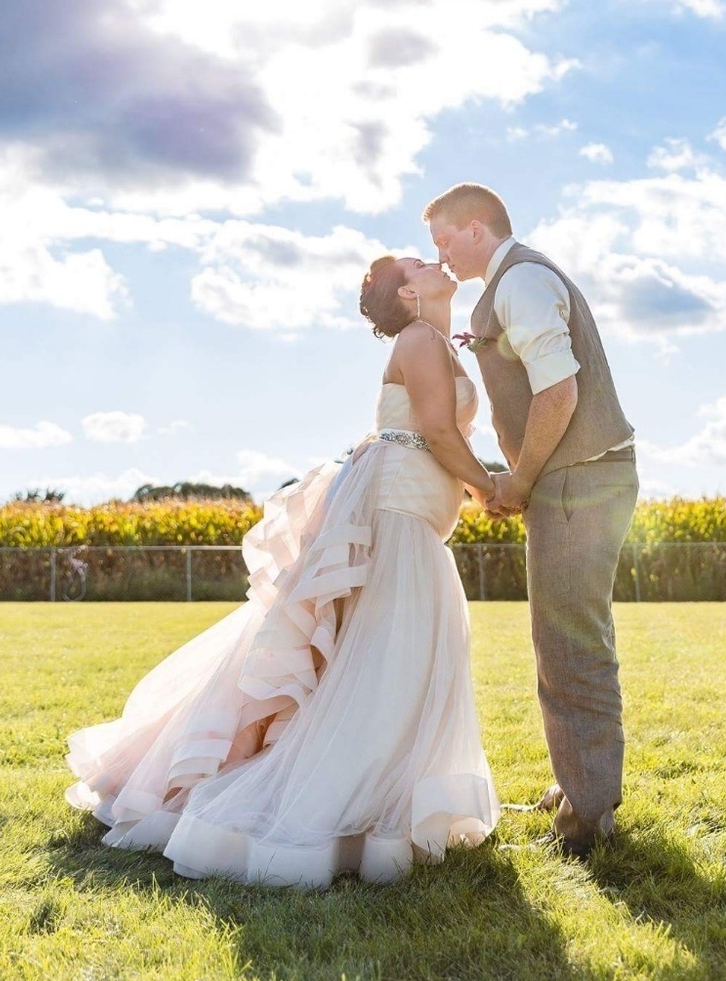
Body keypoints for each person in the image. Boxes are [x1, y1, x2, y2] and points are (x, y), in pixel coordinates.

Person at [65, 255, 500, 889]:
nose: (435, 260)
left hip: (417, 513)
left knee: (397, 656)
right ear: (408, 292)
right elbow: (434, 427)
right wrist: (489, 487)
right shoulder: (419, 339)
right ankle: (343, 804)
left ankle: (387, 795)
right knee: (392, 658)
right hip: (401, 513)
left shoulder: (438, 341)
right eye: (417, 261)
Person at [424, 182, 638, 858]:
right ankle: (580, 784)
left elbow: (560, 389)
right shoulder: (508, 284)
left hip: (578, 477)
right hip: (574, 477)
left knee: (570, 642)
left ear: (478, 225)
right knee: (567, 638)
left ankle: (587, 818)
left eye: (444, 240)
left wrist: (518, 478)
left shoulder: (521, 282)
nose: (440, 255)